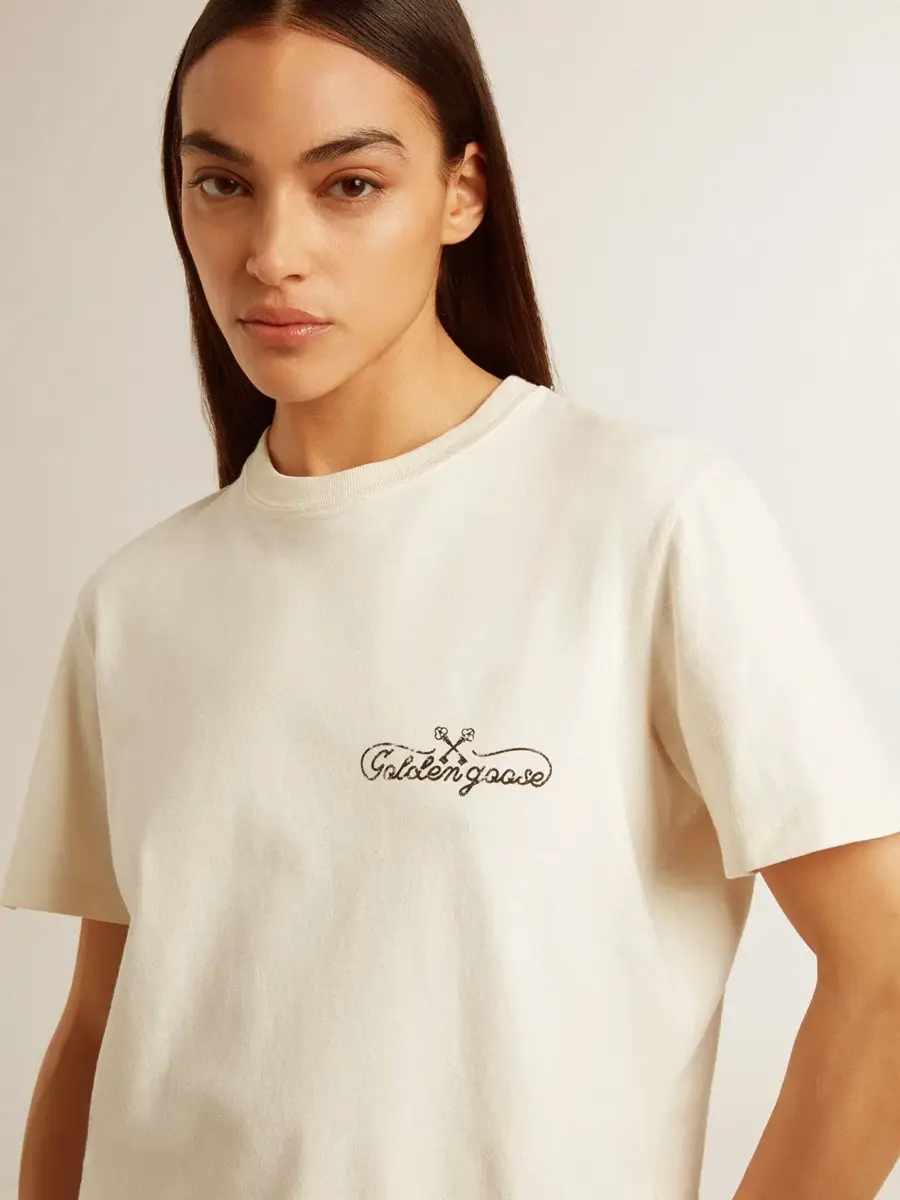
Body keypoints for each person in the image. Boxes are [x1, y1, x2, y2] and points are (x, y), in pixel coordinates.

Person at [3, 2, 899, 1199]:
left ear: (462, 191)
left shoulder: (647, 523)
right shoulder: (136, 604)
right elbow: (94, 1034)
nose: (272, 251)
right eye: (223, 183)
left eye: (349, 184)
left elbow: (886, 971)